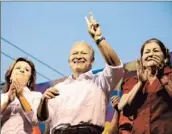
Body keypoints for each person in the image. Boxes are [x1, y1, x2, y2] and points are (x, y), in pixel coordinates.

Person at [37, 12, 124, 134]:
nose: (78, 56)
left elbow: (115, 66)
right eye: (74, 53)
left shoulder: (101, 81)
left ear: (92, 60)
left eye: (83, 53)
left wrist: (98, 39)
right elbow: (42, 118)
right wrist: (43, 100)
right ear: (68, 61)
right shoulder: (58, 88)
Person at [118, 38, 172, 134]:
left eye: (155, 51)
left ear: (165, 57)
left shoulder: (170, 75)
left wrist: (162, 77)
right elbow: (122, 106)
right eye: (147, 52)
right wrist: (140, 83)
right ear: (142, 59)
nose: (151, 54)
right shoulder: (133, 81)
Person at [1, 57, 42, 134]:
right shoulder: (2, 97)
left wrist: (21, 97)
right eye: (18, 68)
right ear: (10, 75)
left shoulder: (36, 96)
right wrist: (7, 102)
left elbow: (35, 121)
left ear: (30, 80)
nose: (22, 70)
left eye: (27, 70)